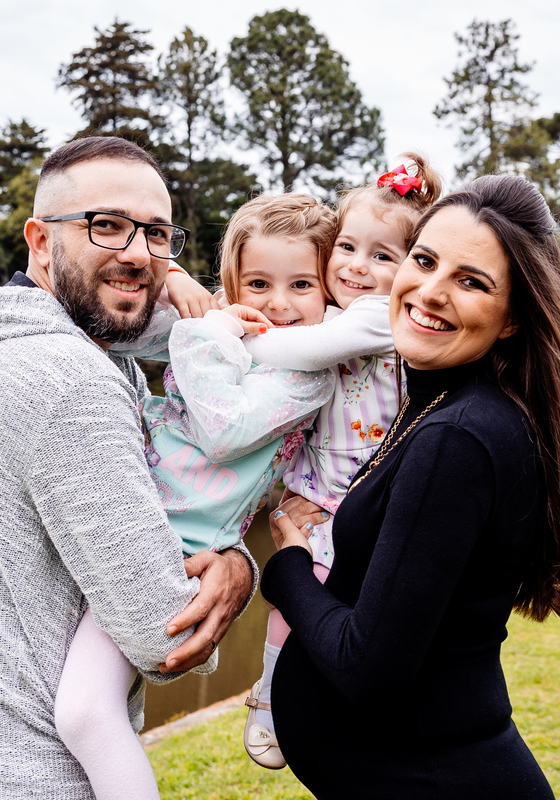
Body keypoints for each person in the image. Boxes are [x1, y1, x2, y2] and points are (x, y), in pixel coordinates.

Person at [0, 136, 256, 800]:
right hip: (11, 781)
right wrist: (238, 566)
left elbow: (170, 330)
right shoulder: (68, 379)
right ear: (41, 240)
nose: (138, 253)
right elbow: (161, 631)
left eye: (157, 234)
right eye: (105, 225)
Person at [262, 175, 560, 798]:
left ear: (513, 316)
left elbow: (368, 669)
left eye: (471, 281)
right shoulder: (438, 406)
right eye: (425, 260)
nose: (429, 292)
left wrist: (288, 571)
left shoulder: (458, 438)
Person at [53, 193, 337, 800]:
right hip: (123, 521)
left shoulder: (305, 374)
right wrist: (178, 283)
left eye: (301, 285)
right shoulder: (237, 337)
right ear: (233, 283)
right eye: (258, 282)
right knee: (76, 702)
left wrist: (206, 331)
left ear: (328, 291)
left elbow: (223, 428)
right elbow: (112, 331)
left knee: (84, 711)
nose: (279, 304)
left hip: (176, 549)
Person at [233, 155, 443, 768]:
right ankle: (275, 696)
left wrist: (235, 336)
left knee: (313, 595)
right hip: (319, 489)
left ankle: (279, 702)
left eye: (384, 255)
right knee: (296, 598)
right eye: (347, 247)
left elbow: (307, 346)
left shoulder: (381, 319)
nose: (357, 265)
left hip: (353, 497)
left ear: (412, 269)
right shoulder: (331, 310)